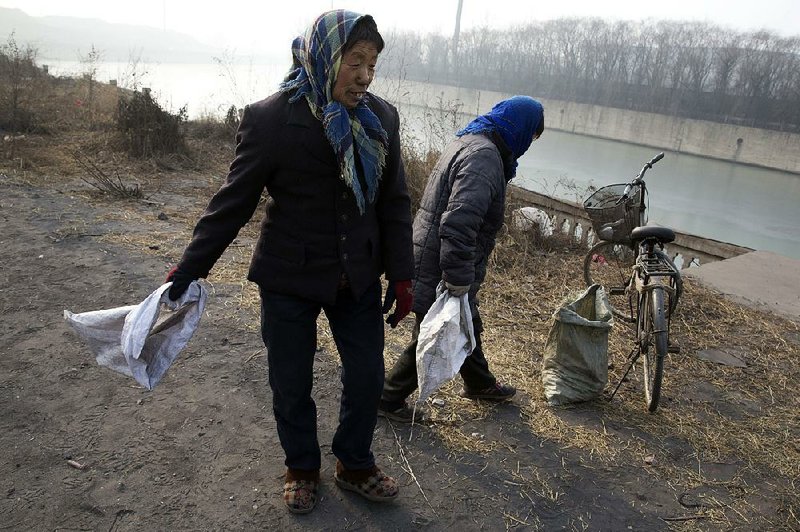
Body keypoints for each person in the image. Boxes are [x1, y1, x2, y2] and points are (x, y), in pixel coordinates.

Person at [165, 10, 414, 514]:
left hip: (358, 274)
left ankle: (354, 463)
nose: (366, 76)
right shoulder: (272, 118)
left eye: (373, 65)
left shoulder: (382, 119)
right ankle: (301, 467)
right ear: (326, 57)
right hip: (290, 276)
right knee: (291, 380)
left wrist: (403, 273)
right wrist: (190, 267)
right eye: (356, 62)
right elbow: (233, 202)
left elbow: (394, 202)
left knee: (367, 376)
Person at [379, 96, 545, 423]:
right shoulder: (484, 158)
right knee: (438, 331)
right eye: (532, 136)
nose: (529, 144)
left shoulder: (470, 141)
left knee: (466, 321)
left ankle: (479, 383)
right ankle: (387, 398)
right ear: (519, 127)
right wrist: (456, 278)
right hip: (442, 259)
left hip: (434, 252)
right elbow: (459, 222)